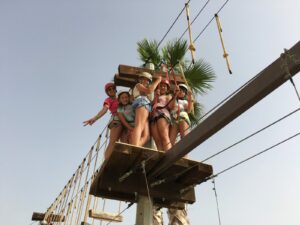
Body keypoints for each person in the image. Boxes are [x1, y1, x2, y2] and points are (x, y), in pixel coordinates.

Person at [83, 82, 122, 160]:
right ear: (107, 92)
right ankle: (106, 160)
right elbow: (104, 110)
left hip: (125, 119)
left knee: (124, 140)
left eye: (112, 88)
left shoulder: (122, 96)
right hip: (116, 120)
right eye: (108, 90)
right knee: (113, 141)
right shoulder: (108, 100)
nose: (111, 90)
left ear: (115, 89)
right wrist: (95, 118)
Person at [131, 72, 161, 147]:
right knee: (139, 125)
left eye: (148, 80)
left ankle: (136, 146)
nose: (146, 81)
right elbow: (150, 90)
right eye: (144, 79)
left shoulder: (145, 94)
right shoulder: (138, 85)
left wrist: (156, 96)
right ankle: (134, 146)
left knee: (146, 135)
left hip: (146, 105)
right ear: (140, 79)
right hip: (142, 103)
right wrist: (158, 81)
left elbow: (151, 102)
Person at [150, 79, 173, 151]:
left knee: (164, 137)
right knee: (157, 140)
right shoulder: (155, 98)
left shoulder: (168, 96)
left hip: (162, 114)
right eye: (161, 86)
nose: (162, 88)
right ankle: (161, 156)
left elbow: (171, 106)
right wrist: (156, 96)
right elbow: (152, 105)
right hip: (154, 117)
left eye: (164, 86)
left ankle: (169, 154)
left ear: (167, 89)